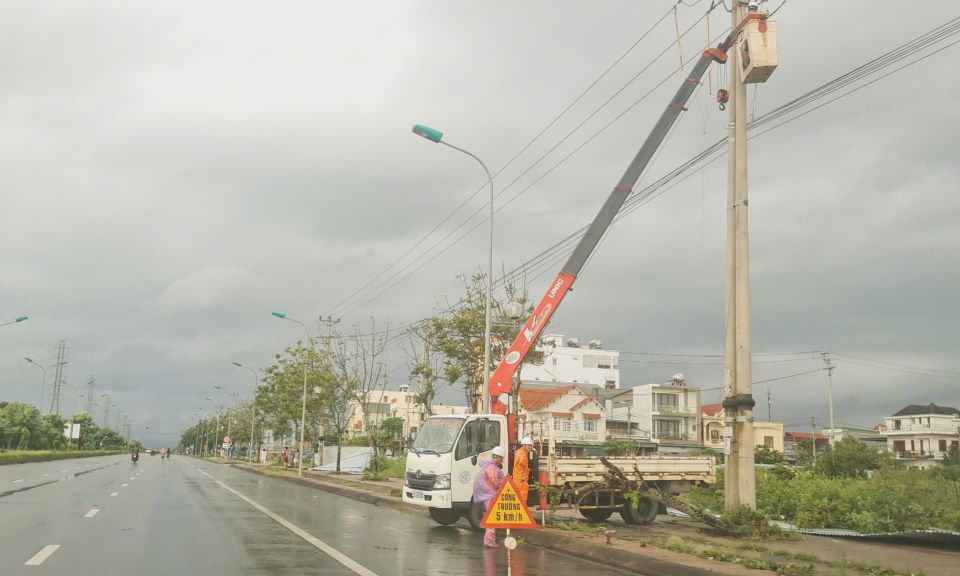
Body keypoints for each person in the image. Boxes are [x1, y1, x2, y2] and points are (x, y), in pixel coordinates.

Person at [473, 445, 507, 548]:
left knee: (492, 517)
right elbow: (496, 481)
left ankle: (489, 540)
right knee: (492, 518)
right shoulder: (492, 468)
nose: (502, 460)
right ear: (498, 457)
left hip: (490, 495)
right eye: (501, 458)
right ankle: (488, 541)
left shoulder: (489, 466)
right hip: (491, 495)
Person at [513, 437, 534, 506]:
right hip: (521, 478)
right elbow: (522, 462)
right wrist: (525, 470)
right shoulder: (524, 454)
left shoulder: (519, 451)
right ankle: (523, 509)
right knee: (523, 494)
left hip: (517, 477)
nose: (530, 447)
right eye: (529, 445)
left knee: (518, 495)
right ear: (524, 445)